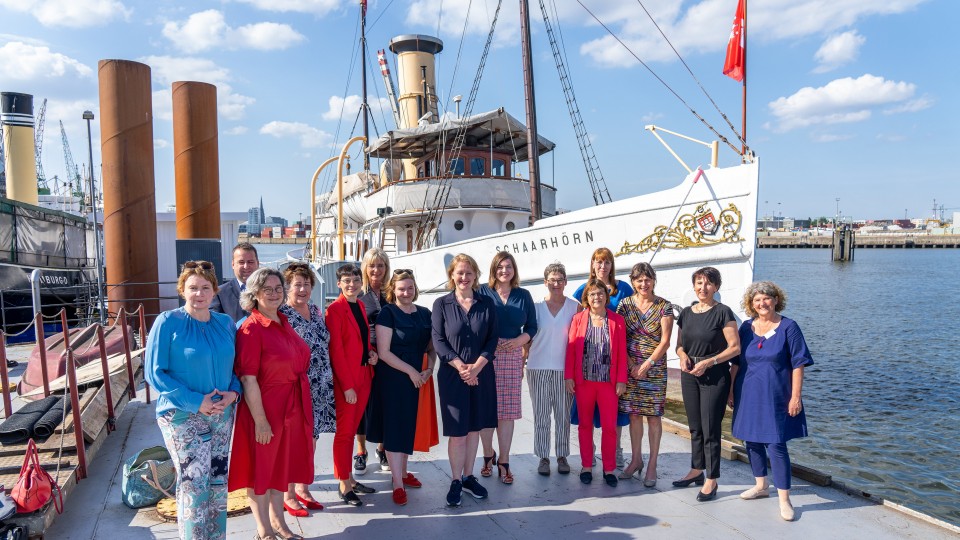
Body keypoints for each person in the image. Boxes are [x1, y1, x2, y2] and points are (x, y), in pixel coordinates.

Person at [145, 260, 241, 540]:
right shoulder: (167, 322)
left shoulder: (225, 324)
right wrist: (195, 402)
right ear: (182, 290)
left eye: (205, 288)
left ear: (214, 292)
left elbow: (237, 368)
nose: (199, 294)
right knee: (193, 484)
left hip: (222, 415)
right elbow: (155, 372)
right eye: (193, 288)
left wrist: (233, 393)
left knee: (217, 482)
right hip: (182, 416)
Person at [228, 268, 313, 540]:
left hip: (291, 405)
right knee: (260, 469)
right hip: (265, 407)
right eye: (268, 289)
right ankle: (264, 530)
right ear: (254, 294)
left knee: (281, 467)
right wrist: (261, 421)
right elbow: (249, 379)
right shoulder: (251, 328)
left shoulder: (283, 321)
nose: (275, 294)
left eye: (278, 288)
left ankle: (280, 523)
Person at [732, 281, 813, 522]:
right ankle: (761, 486)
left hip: (777, 395)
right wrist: (730, 391)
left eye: (767, 298)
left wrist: (795, 396)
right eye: (757, 300)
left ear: (776, 300)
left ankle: (784, 499)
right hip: (747, 392)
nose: (762, 303)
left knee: (776, 445)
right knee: (752, 441)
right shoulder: (746, 328)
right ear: (751, 304)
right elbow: (736, 362)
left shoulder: (789, 327)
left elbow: (799, 364)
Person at [431, 254, 497, 507]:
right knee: (458, 432)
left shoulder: (486, 304)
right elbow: (438, 340)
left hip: (481, 375)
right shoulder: (442, 304)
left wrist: (477, 368)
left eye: (469, 273)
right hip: (452, 376)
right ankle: (456, 480)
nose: (464, 277)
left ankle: (469, 477)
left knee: (474, 430)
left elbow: (492, 339)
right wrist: (461, 367)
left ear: (475, 275)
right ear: (452, 275)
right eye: (460, 273)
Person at [367, 270, 435, 505]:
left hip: (418, 376)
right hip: (394, 377)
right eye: (401, 289)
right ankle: (397, 483)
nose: (406, 293)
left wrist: (430, 369)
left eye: (410, 288)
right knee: (396, 428)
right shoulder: (388, 313)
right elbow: (384, 352)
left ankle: (404, 473)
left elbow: (431, 347)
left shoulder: (425, 313)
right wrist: (412, 372)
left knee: (408, 425)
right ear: (393, 291)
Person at [673, 266, 741, 502]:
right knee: (695, 427)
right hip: (690, 373)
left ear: (716, 287)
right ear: (693, 286)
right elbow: (679, 345)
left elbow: (735, 347)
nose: (703, 288)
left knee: (711, 428)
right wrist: (682, 356)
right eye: (699, 283)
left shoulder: (723, 312)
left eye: (709, 283)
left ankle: (712, 478)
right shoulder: (686, 313)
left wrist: (709, 362)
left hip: (714, 374)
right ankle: (696, 470)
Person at [277, 263, 333, 516]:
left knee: (312, 440)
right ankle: (288, 493)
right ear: (287, 288)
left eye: (306, 284)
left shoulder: (315, 310)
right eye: (296, 284)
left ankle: (303, 487)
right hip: (297, 388)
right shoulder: (282, 314)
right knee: (294, 442)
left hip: (320, 386)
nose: (302, 289)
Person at [477, 252, 538, 484]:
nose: (505, 271)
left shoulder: (523, 295)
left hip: (512, 356)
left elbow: (532, 325)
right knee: (486, 408)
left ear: (514, 270)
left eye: (509, 266)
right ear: (494, 269)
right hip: (485, 356)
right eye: (500, 267)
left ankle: (503, 461)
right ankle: (486, 455)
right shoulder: (482, 291)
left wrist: (520, 341)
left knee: (507, 412)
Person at [570, 247, 633, 466]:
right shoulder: (583, 289)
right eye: (598, 262)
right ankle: (589, 456)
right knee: (586, 420)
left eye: (606, 262)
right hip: (587, 370)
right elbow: (574, 340)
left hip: (611, 364)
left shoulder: (622, 289)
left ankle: (613, 453)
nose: (602, 266)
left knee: (611, 420)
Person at [565, 279, 628, 488]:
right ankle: (586, 466)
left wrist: (621, 380)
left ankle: (609, 468)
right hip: (584, 382)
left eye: (600, 293)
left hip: (608, 384)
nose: (596, 297)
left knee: (609, 427)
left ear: (606, 296)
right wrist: (569, 376)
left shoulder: (617, 321)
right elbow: (571, 350)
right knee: (585, 426)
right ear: (587, 298)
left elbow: (621, 354)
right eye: (592, 294)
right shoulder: (578, 319)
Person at [325, 264, 379, 507]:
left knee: (355, 426)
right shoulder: (334, 310)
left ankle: (350, 479)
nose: (352, 284)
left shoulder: (358, 305)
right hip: (347, 381)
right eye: (346, 280)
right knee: (345, 433)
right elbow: (336, 351)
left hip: (363, 374)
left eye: (356, 280)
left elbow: (361, 339)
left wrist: (372, 353)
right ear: (339, 284)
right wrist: (346, 386)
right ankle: (344, 484)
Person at [616, 262, 674, 487]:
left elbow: (666, 341)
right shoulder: (624, 305)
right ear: (633, 282)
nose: (644, 283)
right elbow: (620, 337)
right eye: (639, 280)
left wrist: (647, 364)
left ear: (654, 281)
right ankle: (636, 459)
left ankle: (652, 464)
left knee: (653, 416)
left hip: (655, 368)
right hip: (630, 367)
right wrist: (631, 364)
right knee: (633, 415)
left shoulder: (664, 306)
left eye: (647, 279)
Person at [526, 262, 579, 476]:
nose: (556, 284)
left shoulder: (575, 307)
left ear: (565, 282)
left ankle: (562, 455)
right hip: (537, 368)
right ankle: (543, 457)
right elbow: (527, 339)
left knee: (562, 415)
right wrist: (522, 363)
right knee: (541, 414)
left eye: (560, 280)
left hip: (563, 370)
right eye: (552, 280)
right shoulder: (536, 306)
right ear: (545, 282)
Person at [355, 248, 390, 475]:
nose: (376, 270)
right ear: (365, 269)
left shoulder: (391, 294)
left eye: (380, 265)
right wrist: (368, 352)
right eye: (372, 266)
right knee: (362, 404)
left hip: (389, 355)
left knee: (385, 401)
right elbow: (355, 329)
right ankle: (361, 451)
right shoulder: (358, 295)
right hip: (366, 355)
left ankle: (382, 448)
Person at [211, 242, 259, 323]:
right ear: (233, 264)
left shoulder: (269, 290)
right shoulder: (219, 293)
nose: (246, 266)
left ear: (257, 263)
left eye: (250, 262)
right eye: (241, 262)